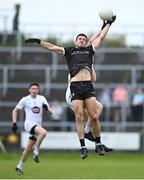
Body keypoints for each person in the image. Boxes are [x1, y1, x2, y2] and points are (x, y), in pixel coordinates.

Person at [25, 15, 116, 159]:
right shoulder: (69, 51)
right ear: (75, 41)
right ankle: (83, 147)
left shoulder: (89, 50)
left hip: (87, 85)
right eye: (80, 38)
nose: (82, 39)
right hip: (74, 86)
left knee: (94, 115)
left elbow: (100, 38)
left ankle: (97, 143)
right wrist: (39, 41)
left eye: (84, 39)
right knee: (79, 117)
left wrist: (108, 24)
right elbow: (52, 47)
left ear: (86, 42)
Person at [12, 82, 52, 175]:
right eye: (32, 89)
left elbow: (51, 113)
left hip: (37, 127)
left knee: (28, 149)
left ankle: (19, 166)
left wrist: (47, 109)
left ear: (38, 90)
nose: (34, 90)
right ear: (29, 90)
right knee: (44, 133)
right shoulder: (25, 99)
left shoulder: (42, 99)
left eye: (36, 89)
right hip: (29, 125)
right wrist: (14, 123)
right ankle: (36, 150)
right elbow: (15, 110)